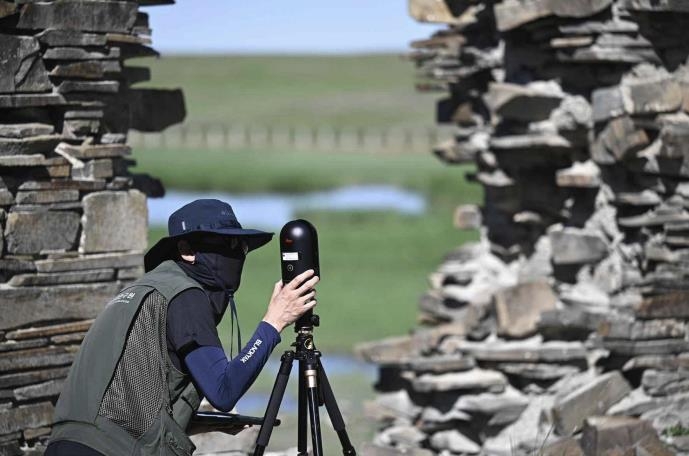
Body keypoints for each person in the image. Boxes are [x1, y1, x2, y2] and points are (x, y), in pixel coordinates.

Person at [46, 199, 318, 456]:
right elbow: (224, 391)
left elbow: (130, 402)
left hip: (65, 445)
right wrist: (274, 321)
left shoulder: (143, 291)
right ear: (187, 251)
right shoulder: (185, 295)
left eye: (241, 246)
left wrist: (203, 422)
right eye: (227, 243)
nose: (237, 253)